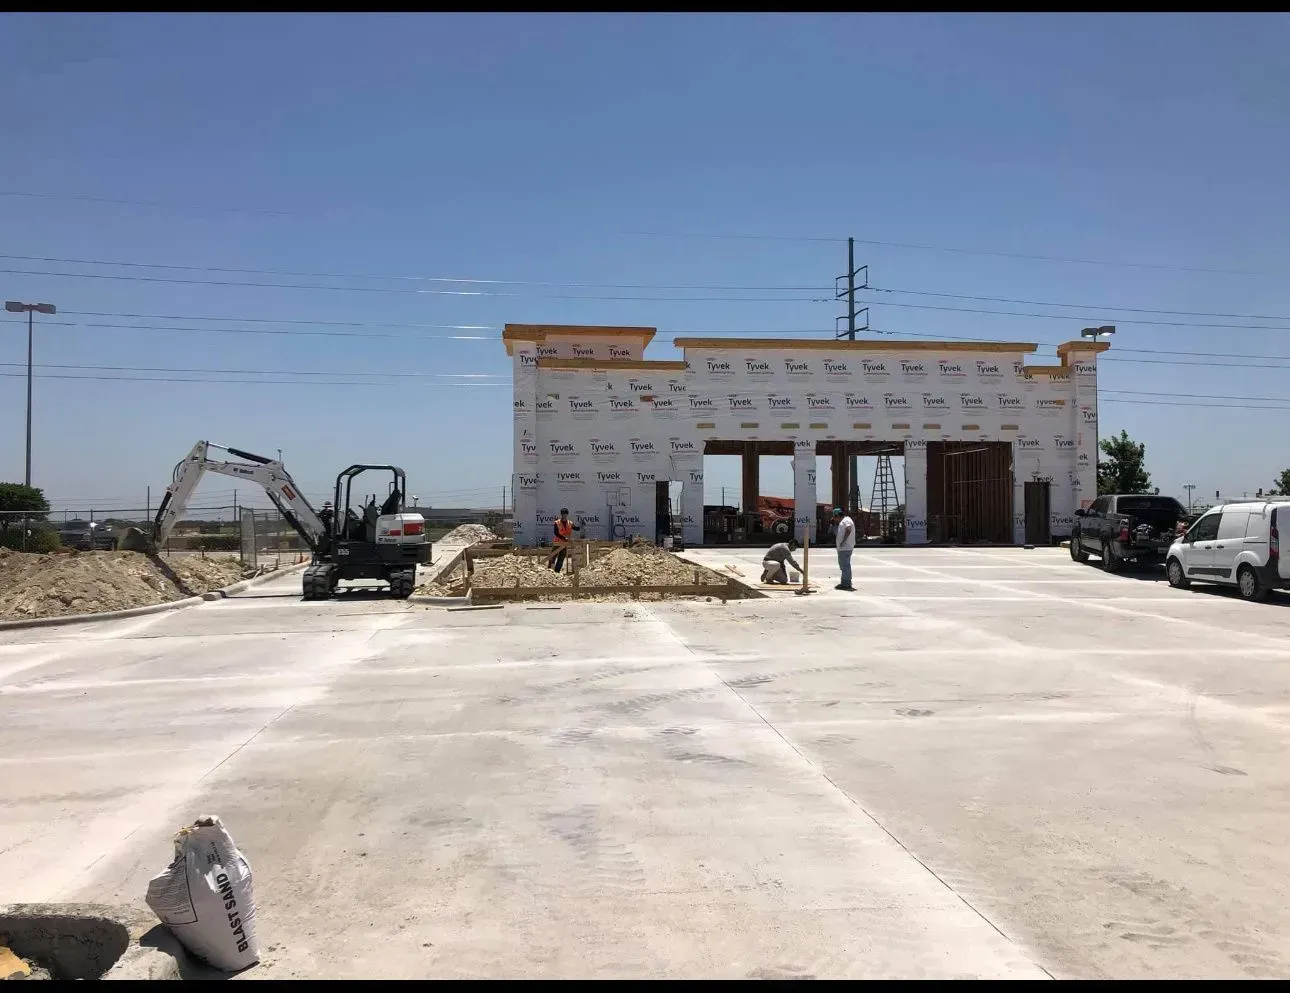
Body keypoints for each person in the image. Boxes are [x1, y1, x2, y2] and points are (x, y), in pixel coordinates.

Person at [548, 508, 581, 572]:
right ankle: (549, 571)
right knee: (552, 557)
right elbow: (556, 533)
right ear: (561, 514)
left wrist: (581, 526)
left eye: (565, 514)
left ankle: (557, 571)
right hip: (557, 543)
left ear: (567, 514)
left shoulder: (570, 523)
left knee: (561, 558)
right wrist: (564, 538)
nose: (564, 515)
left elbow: (576, 528)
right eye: (563, 514)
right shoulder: (557, 523)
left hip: (565, 544)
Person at [833, 507, 855, 591]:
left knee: (845, 566)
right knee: (845, 566)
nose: (835, 520)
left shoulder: (846, 520)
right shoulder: (845, 520)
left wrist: (842, 541)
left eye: (835, 518)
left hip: (845, 547)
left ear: (838, 515)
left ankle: (846, 584)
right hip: (844, 548)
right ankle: (846, 582)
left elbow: (848, 530)